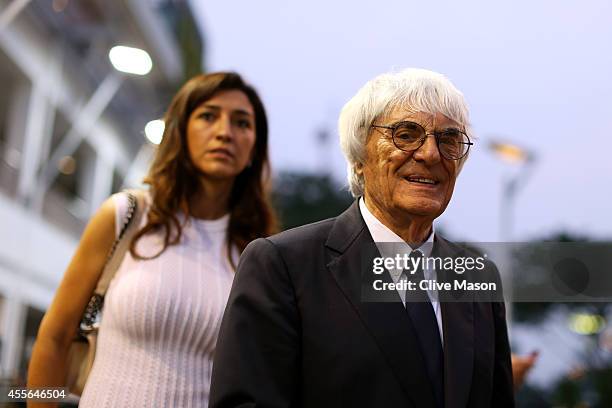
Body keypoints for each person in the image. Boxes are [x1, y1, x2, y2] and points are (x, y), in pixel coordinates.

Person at [209, 68, 515, 407]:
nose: (430, 154)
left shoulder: (476, 278)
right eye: (406, 134)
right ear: (358, 160)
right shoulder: (284, 266)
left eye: (448, 140)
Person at [27, 72, 277, 407]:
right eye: (207, 116)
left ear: (254, 150)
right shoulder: (124, 215)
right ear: (181, 132)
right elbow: (55, 338)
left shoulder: (259, 253)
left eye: (242, 123)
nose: (224, 132)